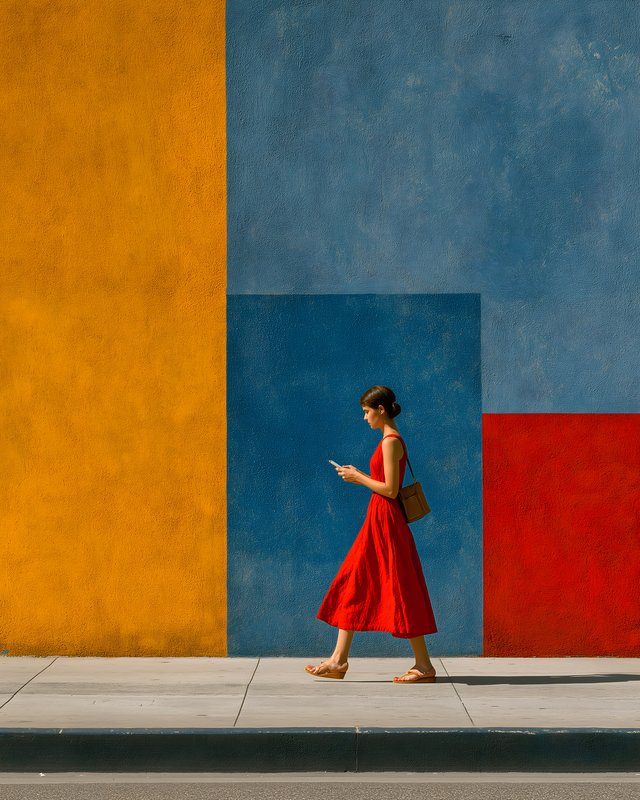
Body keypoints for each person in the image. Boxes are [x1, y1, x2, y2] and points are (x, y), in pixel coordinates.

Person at [304, 385, 438, 684]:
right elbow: (386, 484)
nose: (364, 418)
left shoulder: (390, 442)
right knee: (355, 581)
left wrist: (358, 477)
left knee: (400, 587)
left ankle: (423, 665)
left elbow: (390, 490)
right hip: (378, 521)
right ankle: (338, 660)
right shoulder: (388, 440)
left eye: (366, 412)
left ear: (381, 409)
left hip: (386, 522)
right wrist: (360, 475)